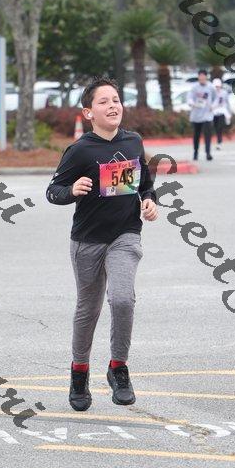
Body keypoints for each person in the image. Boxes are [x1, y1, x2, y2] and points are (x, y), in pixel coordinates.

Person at [46, 77, 158, 412]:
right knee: (88, 309)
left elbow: (145, 184)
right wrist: (71, 191)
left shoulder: (133, 142)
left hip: (125, 234)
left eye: (116, 100)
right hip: (88, 240)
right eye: (104, 101)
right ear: (88, 113)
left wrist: (150, 200)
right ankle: (79, 373)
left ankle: (118, 368)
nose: (112, 106)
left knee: (122, 299)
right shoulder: (80, 150)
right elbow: (53, 192)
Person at [188, 69, 216, 161]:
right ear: (198, 77)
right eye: (200, 77)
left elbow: (215, 98)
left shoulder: (211, 87)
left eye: (203, 77)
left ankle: (208, 153)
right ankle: (195, 152)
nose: (202, 79)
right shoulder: (194, 87)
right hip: (196, 115)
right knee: (196, 135)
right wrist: (192, 103)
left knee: (207, 134)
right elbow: (190, 98)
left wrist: (213, 106)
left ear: (206, 77)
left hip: (207, 115)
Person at [212, 78, 232, 149]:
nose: (217, 88)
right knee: (215, 127)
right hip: (214, 112)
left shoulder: (224, 93)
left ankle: (219, 142)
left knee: (219, 127)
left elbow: (227, 103)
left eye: (218, 86)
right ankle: (218, 140)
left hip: (222, 112)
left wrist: (229, 112)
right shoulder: (212, 93)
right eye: (216, 86)